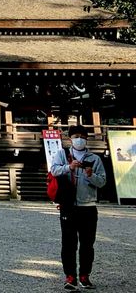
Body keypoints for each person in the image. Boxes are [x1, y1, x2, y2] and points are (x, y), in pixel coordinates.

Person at [51, 124, 106, 290]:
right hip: (68, 205)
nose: (79, 139)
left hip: (88, 206)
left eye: (82, 136)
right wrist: (69, 167)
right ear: (70, 139)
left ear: (86, 138)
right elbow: (54, 171)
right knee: (68, 243)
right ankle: (70, 276)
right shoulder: (62, 154)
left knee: (87, 243)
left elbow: (102, 181)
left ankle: (84, 275)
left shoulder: (95, 159)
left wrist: (91, 175)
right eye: (75, 137)